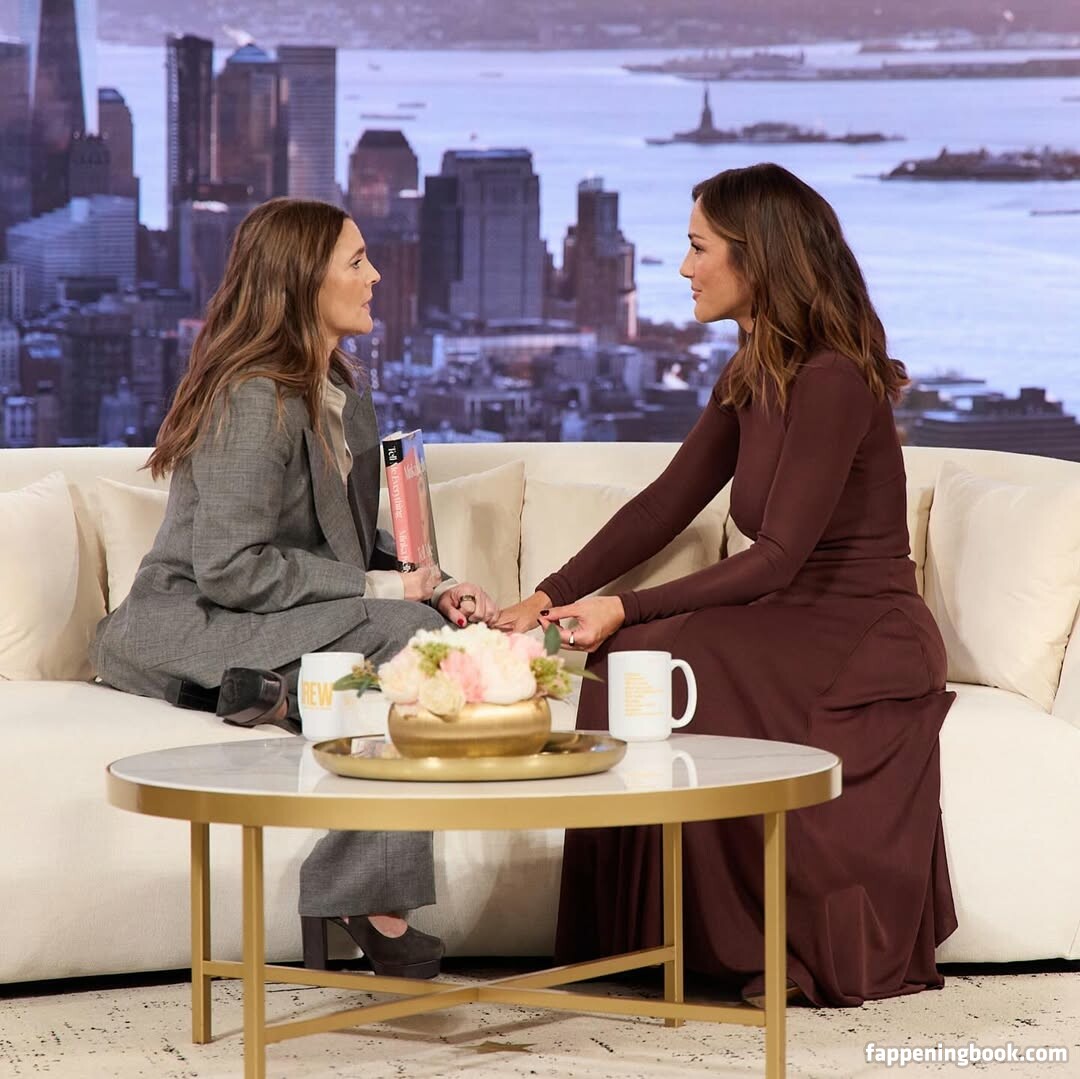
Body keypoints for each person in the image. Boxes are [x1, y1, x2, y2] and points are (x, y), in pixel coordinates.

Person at [498, 163, 957, 1007]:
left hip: (861, 630)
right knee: (628, 659)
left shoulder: (832, 377)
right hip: (795, 615)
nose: (684, 267)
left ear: (757, 256)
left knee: (670, 654)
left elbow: (778, 556)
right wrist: (549, 593)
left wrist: (623, 605)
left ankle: (744, 942)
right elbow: (665, 503)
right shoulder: (753, 368)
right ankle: (646, 942)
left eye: (698, 247)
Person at [92, 198, 499, 980]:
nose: (375, 277)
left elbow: (346, 542)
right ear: (304, 281)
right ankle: (365, 895)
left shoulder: (343, 396)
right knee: (408, 637)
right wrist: (392, 593)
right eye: (357, 262)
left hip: (279, 612)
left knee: (430, 626)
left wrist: (435, 584)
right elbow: (231, 566)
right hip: (200, 617)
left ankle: (284, 698)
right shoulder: (252, 399)